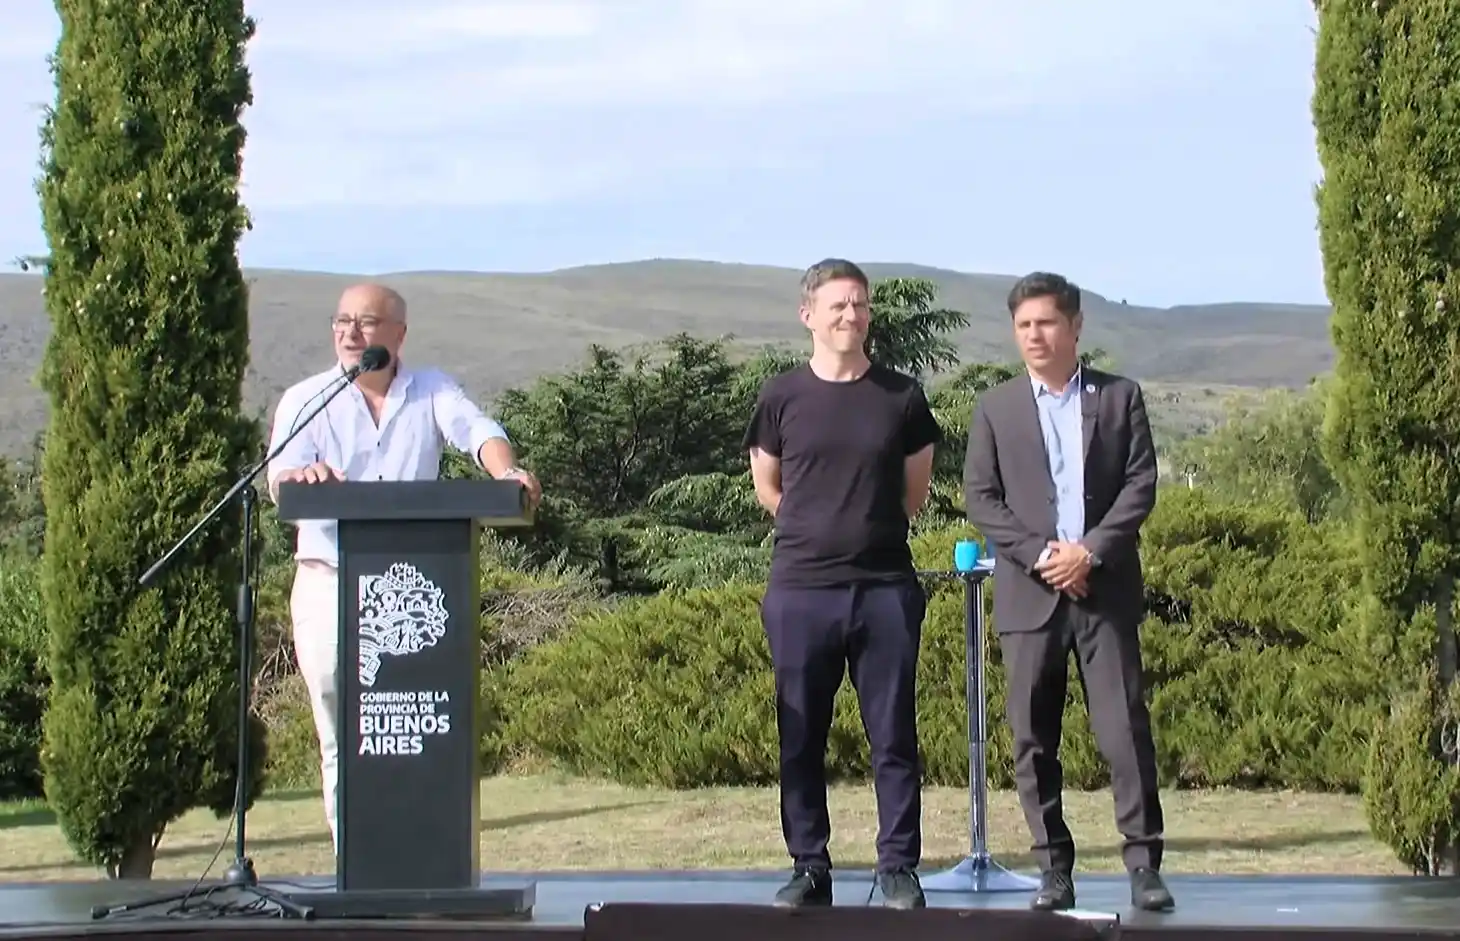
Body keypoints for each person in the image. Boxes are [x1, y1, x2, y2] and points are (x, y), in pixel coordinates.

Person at [265, 283, 541, 848]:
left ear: (398, 334)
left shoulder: (431, 389)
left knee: (414, 727)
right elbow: (279, 480)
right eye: (341, 321)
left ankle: (421, 855)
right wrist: (302, 478)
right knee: (342, 732)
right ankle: (357, 861)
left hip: (406, 594)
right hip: (328, 583)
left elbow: (480, 432)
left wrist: (505, 474)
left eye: (365, 323)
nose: (350, 334)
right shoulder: (306, 398)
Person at [962, 271, 1172, 913]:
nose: (1034, 335)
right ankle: (1053, 867)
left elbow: (1140, 484)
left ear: (1075, 327)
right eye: (1023, 325)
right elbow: (981, 498)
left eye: (1046, 323)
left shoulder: (1118, 398)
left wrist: (1090, 551)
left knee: (1124, 731)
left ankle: (1143, 863)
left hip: (1102, 593)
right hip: (1030, 597)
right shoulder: (995, 408)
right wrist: (1042, 554)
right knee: (1031, 737)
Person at [742, 258, 941, 911]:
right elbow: (768, 486)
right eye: (837, 306)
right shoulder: (781, 397)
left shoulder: (902, 396)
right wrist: (816, 525)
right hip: (801, 588)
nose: (851, 315)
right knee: (801, 733)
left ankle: (898, 866)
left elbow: (913, 494)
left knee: (893, 732)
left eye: (859, 304)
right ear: (809, 315)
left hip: (884, 586)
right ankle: (809, 864)